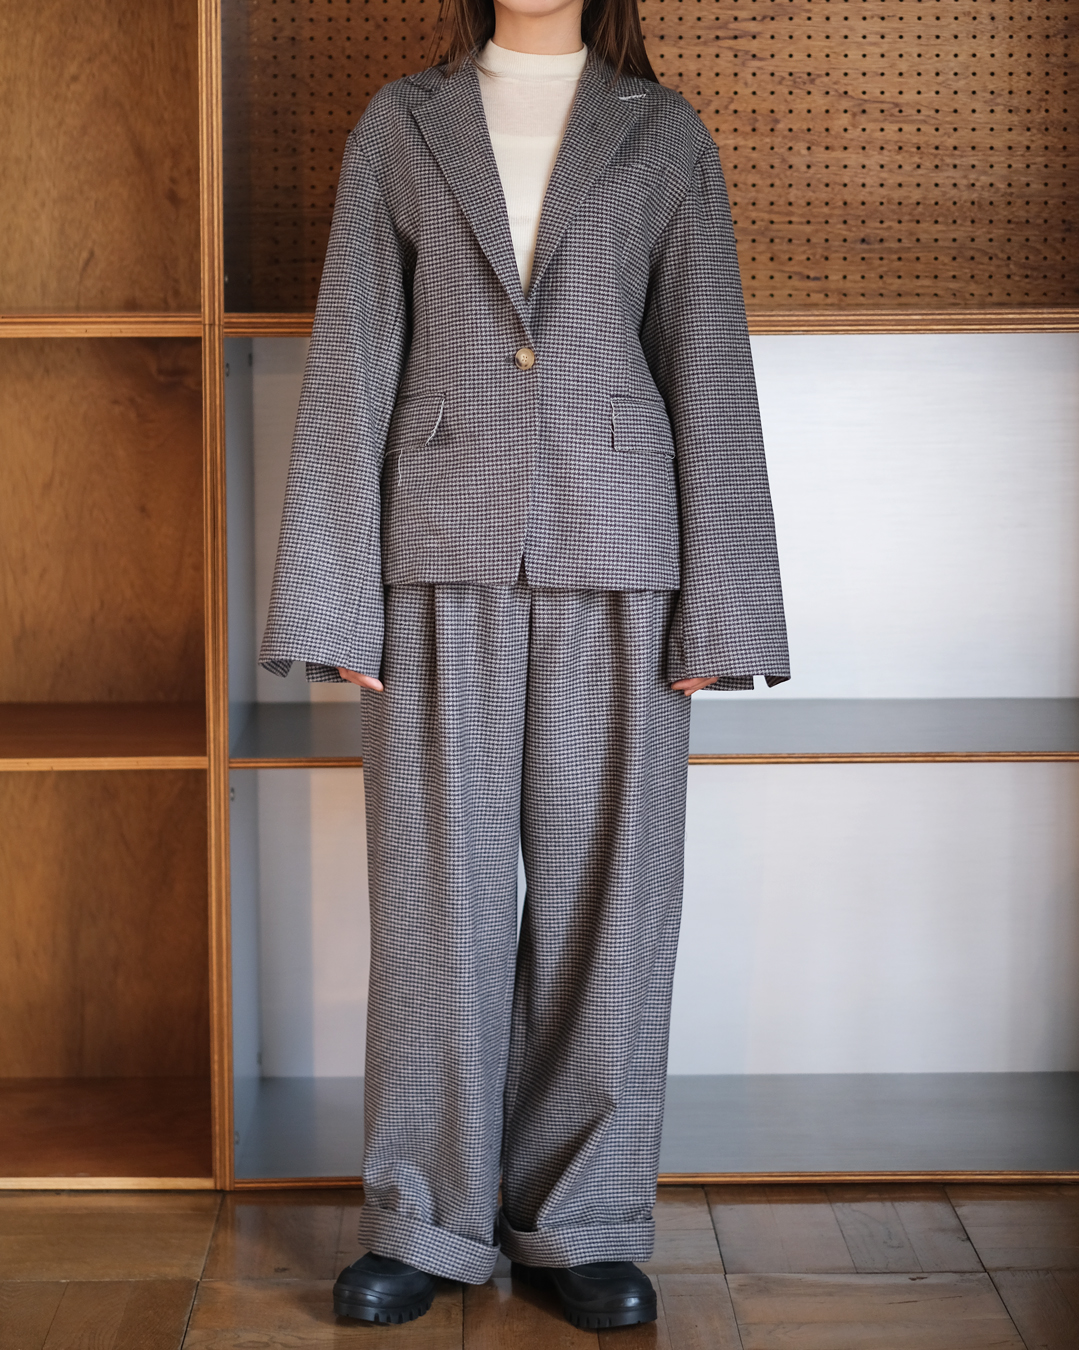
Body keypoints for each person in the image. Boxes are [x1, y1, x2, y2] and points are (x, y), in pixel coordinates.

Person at [259, 0, 789, 1330]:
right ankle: (424, 1220)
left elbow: (707, 360)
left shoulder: (662, 134)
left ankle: (583, 1220)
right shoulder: (401, 126)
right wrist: (338, 604)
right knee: (431, 902)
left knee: (612, 904)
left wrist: (723, 615)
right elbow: (355, 353)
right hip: (435, 556)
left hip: (623, 561)